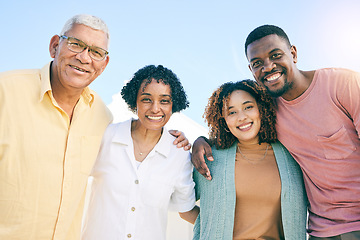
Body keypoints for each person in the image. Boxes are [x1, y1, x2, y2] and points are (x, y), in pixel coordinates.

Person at [0, 15, 189, 240]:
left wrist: (198, 144)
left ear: (104, 63)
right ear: (54, 46)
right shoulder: (6, 91)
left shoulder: (100, 116)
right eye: (75, 44)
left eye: (96, 52)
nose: (84, 57)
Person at [192, 24, 360, 239]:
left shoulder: (343, 84)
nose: (268, 67)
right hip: (321, 231)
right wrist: (201, 140)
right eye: (257, 63)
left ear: (293, 54)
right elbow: (238, 125)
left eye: (276, 55)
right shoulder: (269, 111)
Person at [81, 65, 199, 240]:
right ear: (134, 101)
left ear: (174, 105)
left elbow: (186, 210)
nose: (155, 108)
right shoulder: (106, 136)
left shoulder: (179, 154)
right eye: (146, 99)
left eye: (164, 101)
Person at [191, 80, 307, 239]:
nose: (242, 117)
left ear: (262, 109)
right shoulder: (210, 158)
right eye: (232, 112)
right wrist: (212, 226)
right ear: (223, 120)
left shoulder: (291, 154)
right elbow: (182, 205)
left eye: (248, 107)